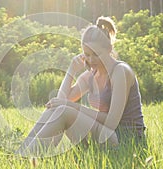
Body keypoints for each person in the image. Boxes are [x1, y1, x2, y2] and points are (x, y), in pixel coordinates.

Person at [16, 16, 146, 156]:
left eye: (96, 54)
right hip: (105, 135)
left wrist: (71, 106)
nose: (91, 60)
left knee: (65, 110)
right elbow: (59, 103)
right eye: (87, 54)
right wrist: (71, 70)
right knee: (56, 109)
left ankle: (27, 158)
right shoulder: (90, 76)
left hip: (126, 140)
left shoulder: (120, 71)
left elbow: (111, 122)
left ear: (108, 49)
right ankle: (20, 156)